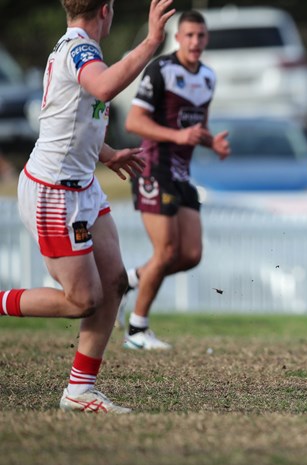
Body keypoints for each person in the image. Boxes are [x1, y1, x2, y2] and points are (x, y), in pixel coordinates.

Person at [0, 0, 175, 413]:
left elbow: (71, 119)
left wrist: (108, 152)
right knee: (82, 300)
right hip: (54, 193)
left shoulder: (79, 49)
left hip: (82, 186)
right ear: (105, 10)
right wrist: (151, 42)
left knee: (114, 282)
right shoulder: (80, 49)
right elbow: (102, 88)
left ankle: (80, 390)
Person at [119, 10, 230, 350]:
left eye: (201, 36)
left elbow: (196, 128)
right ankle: (137, 330)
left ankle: (126, 282)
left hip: (182, 173)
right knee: (166, 251)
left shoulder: (208, 77)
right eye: (189, 35)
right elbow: (134, 123)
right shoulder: (161, 70)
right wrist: (177, 137)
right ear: (178, 38)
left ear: (206, 39)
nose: (195, 42)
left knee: (191, 253)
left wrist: (212, 142)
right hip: (153, 167)